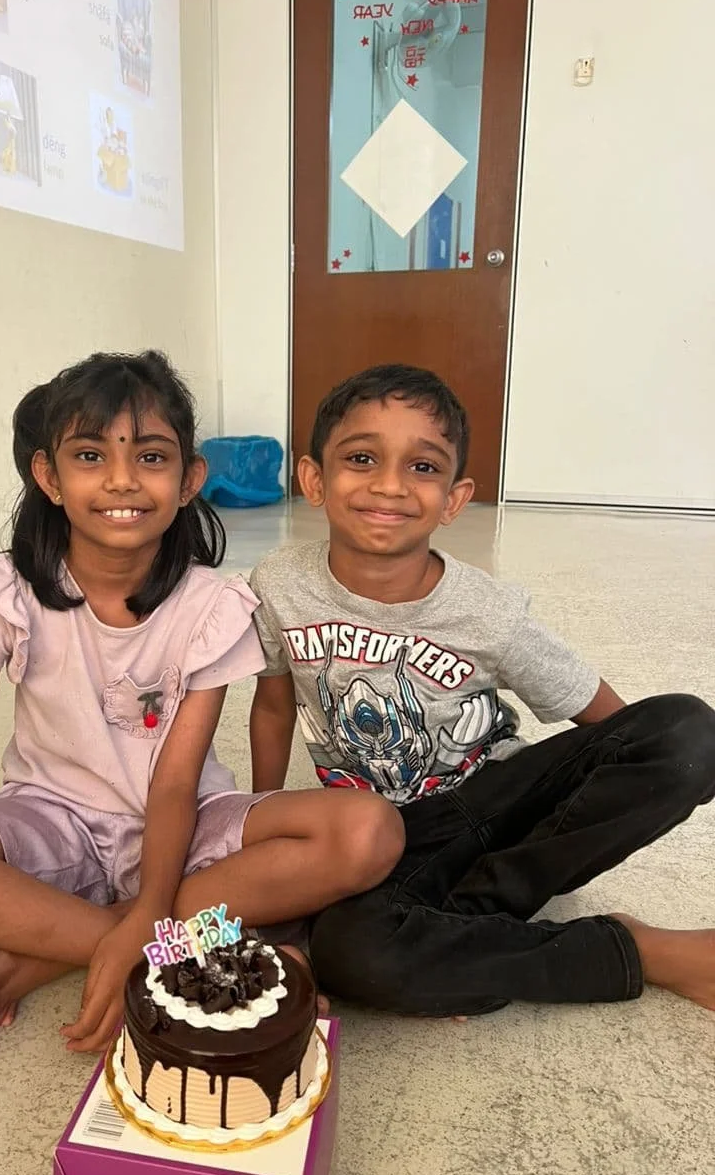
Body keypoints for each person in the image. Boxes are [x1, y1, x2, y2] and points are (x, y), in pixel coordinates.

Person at [0, 352, 403, 1051]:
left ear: (188, 479)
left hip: (186, 828)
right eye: (90, 455)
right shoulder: (5, 593)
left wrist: (147, 909)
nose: (121, 480)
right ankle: (170, 942)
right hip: (51, 824)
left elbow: (173, 785)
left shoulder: (212, 605)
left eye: (150, 456)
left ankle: (63, 942)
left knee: (368, 832)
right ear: (48, 476)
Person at [249, 363, 715, 1018]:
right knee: (353, 954)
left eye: (423, 468)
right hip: (389, 841)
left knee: (687, 733)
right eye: (362, 458)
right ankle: (635, 951)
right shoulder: (278, 586)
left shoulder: (487, 611)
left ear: (455, 498)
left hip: (501, 798)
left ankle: (465, 938)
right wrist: (260, 829)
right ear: (314, 480)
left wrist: (607, 793)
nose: (390, 485)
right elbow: (272, 708)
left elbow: (613, 723)